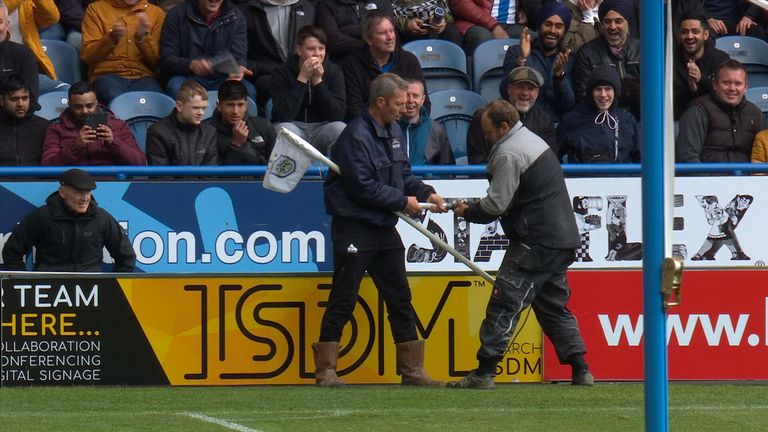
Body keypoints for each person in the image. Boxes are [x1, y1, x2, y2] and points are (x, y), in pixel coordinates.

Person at [449, 99, 593, 389]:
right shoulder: (531, 140)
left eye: (488, 131)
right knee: (553, 307)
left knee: (504, 304)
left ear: (503, 127)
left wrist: (467, 211)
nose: (485, 137)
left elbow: (496, 204)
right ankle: (581, 370)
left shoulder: (508, 153)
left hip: (534, 242)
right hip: (561, 241)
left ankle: (485, 372)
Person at [315, 73, 448, 387]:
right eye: (399, 103)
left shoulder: (394, 132)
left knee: (400, 298)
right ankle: (326, 371)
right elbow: (361, 187)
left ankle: (412, 370)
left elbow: (403, 173)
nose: (404, 109)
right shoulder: (354, 137)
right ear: (381, 102)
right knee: (343, 298)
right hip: (354, 228)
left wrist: (427, 193)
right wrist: (403, 201)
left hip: (383, 228)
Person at [2, 168, 136, 272]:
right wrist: (24, 285)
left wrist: (114, 287)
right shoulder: (42, 217)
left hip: (92, 292)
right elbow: (12, 252)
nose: (85, 198)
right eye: (78, 192)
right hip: (49, 291)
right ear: (62, 193)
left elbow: (126, 257)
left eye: (88, 192)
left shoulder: (102, 218)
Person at [270, 25, 347, 156]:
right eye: (311, 49)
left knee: (340, 128)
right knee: (284, 129)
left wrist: (318, 82)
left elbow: (338, 115)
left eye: (321, 48)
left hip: (322, 128)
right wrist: (302, 78)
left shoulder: (334, 71)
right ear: (299, 50)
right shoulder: (281, 72)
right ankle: (290, 175)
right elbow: (283, 115)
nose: (317, 53)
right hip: (294, 127)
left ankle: (332, 176)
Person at [158, 0, 255, 100]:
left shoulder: (236, 16)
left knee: (248, 90)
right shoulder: (176, 15)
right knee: (177, 88)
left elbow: (239, 57)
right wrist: (190, 64)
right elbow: (166, 59)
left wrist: (237, 70)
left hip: (224, 78)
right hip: (187, 76)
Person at [342, 12, 426, 120]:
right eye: (383, 33)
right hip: (370, 129)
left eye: (391, 31)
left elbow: (425, 104)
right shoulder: (352, 64)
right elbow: (354, 109)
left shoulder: (408, 60)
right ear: (368, 39)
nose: (390, 37)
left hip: (406, 126)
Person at [41, 81, 147, 165]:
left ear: (97, 103)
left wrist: (114, 142)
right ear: (69, 105)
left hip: (113, 184)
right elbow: (47, 166)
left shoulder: (118, 125)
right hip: (74, 186)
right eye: (78, 107)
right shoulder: (57, 129)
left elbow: (140, 162)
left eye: (89, 106)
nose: (85, 111)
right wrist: (75, 146)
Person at [80, 0, 165, 104]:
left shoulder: (156, 13)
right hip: (107, 75)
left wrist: (143, 38)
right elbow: (88, 57)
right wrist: (111, 37)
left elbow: (157, 63)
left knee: (157, 104)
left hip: (143, 76)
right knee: (118, 102)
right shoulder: (95, 9)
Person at [677, 60, 762, 163]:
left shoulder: (755, 114)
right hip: (708, 177)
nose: (732, 88)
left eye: (738, 83)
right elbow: (687, 156)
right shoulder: (698, 110)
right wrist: (706, 179)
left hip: (747, 178)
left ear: (745, 87)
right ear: (715, 84)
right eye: (726, 83)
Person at [499, 2, 575, 116]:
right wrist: (521, 60)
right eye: (548, 24)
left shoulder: (567, 59)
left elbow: (569, 105)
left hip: (553, 124)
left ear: (564, 31)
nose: (552, 30)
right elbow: (505, 92)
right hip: (522, 120)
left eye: (558, 26)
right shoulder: (516, 52)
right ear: (539, 26)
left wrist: (560, 76)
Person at [239, 0, 316, 112]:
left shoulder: (308, 8)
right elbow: (241, 54)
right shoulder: (248, 10)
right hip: (265, 76)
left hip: (301, 73)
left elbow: (319, 44)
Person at [468, 66, 556, 163]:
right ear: (509, 89)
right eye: (520, 87)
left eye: (530, 89)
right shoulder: (484, 117)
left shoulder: (545, 119)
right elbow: (478, 162)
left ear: (537, 93)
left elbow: (551, 159)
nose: (525, 93)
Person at [557, 65, 640, 163]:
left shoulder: (627, 120)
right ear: (590, 92)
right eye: (598, 89)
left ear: (616, 92)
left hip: (621, 178)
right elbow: (554, 157)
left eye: (608, 89)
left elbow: (641, 158)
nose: (603, 94)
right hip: (583, 177)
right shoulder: (571, 121)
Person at [571, 0, 640, 116]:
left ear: (628, 23)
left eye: (618, 21)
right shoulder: (587, 53)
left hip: (640, 118)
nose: (612, 27)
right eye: (607, 22)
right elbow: (583, 96)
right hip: (601, 119)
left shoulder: (642, 50)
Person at [3, 0, 71, 93]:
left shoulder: (25, 4)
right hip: (4, 70)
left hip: (26, 68)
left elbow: (51, 18)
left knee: (67, 92)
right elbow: (3, 7)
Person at [146, 79, 218, 166]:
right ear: (179, 106)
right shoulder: (157, 132)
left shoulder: (209, 133)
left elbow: (210, 175)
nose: (201, 113)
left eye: (203, 108)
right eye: (195, 108)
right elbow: (161, 176)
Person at [673, 12, 730, 120]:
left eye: (695, 31)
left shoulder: (720, 59)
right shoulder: (670, 59)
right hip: (677, 119)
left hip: (713, 119)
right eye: (684, 32)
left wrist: (701, 79)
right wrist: (691, 88)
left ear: (706, 35)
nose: (689, 36)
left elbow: (726, 94)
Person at [210, 79, 275, 165]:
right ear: (219, 106)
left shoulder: (263, 126)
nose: (235, 111)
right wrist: (236, 144)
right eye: (230, 105)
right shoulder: (208, 133)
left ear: (246, 105)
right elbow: (217, 175)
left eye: (240, 105)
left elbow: (275, 165)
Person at [317, 0, 393, 64]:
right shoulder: (327, 3)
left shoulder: (382, 1)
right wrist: (368, 45)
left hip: (379, 62)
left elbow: (388, 29)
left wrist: (346, 30)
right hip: (343, 63)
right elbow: (332, 40)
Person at [399, 79, 454, 165]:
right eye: (406, 96)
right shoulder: (390, 127)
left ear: (423, 99)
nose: (410, 100)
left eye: (415, 96)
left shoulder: (436, 130)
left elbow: (447, 169)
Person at [449, 0, 539, 52]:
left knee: (534, 39)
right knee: (483, 38)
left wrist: (521, 11)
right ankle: (478, 83)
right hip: (476, 23)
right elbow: (460, 3)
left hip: (511, 24)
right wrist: (493, 26)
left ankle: (524, 83)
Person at [0, 74, 49, 165]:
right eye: (14, 99)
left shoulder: (44, 127)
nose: (21, 104)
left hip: (38, 179)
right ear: (2, 100)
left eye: (25, 98)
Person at [0, 2, 40, 102]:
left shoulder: (24, 55)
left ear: (7, 24)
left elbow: (32, 99)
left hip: (15, 116)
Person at [392, 0, 462, 46]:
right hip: (402, 23)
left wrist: (441, 20)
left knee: (452, 34)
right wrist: (405, 24)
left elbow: (446, 11)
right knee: (390, 35)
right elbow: (384, 12)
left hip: (433, 24)